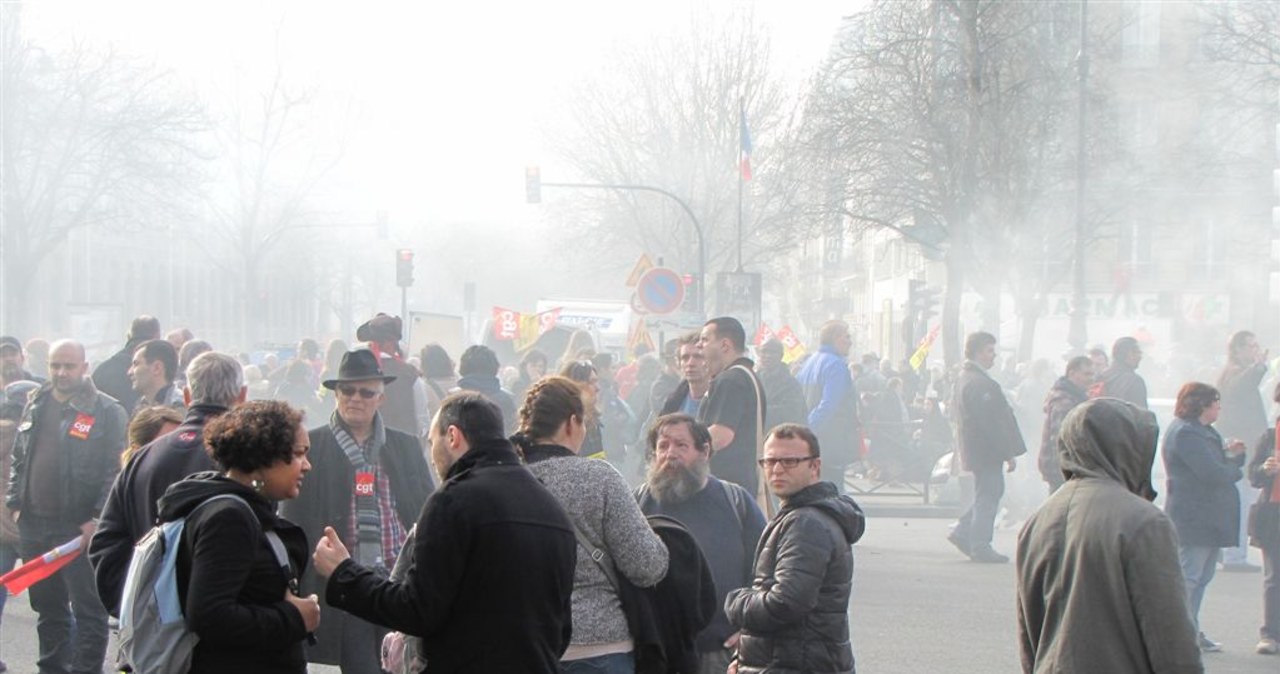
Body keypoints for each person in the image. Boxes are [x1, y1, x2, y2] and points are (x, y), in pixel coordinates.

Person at [313, 392, 577, 673]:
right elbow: (561, 629)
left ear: (452, 436)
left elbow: (417, 610)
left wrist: (344, 573)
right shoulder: (550, 508)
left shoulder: (453, 500)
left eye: (432, 442)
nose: (432, 455)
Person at [1015, 398, 1203, 673]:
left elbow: (1028, 633)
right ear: (1128, 448)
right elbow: (1170, 636)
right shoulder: (1143, 522)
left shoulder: (1038, 520)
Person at [281, 349, 433, 673]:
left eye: (366, 392)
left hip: (396, 582)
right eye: (347, 391)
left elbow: (425, 509)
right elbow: (294, 520)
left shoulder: (404, 446)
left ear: (380, 398)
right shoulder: (313, 445)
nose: (356, 399)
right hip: (338, 586)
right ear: (335, 394)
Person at [511, 377, 669, 673]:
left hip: (524, 645)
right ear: (572, 423)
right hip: (600, 649)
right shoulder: (599, 478)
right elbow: (646, 566)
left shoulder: (503, 482)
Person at [156, 400, 318, 673]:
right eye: (298, 453)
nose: (307, 466)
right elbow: (210, 616)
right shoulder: (229, 517)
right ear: (262, 457)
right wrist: (293, 617)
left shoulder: (240, 510)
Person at [91, 351, 247, 617]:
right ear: (242, 397)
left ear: (187, 396)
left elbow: (106, 542)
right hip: (221, 624)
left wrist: (130, 606)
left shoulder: (143, 456)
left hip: (150, 621)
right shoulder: (248, 458)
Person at [6, 340, 127, 674]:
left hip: (77, 528)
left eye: (69, 366)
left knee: (89, 610)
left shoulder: (106, 410)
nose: (61, 373)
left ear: (84, 367)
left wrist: (96, 518)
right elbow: (19, 455)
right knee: (47, 608)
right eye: (55, 366)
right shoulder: (36, 401)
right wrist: (15, 502)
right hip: (34, 524)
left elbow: (114, 469)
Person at [724, 424, 864, 674]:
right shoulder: (803, 516)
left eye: (789, 461)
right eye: (770, 461)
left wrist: (736, 602)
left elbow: (785, 603)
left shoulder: (805, 523)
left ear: (815, 467)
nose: (777, 469)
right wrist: (746, 658)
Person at [635, 413, 766, 674]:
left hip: (719, 651)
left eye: (681, 445)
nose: (670, 454)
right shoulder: (637, 503)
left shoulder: (735, 502)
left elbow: (768, 571)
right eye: (663, 446)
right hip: (655, 652)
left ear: (704, 451)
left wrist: (750, 629)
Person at [1163, 382, 1247, 653]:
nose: (1219, 407)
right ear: (1200, 404)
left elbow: (1216, 463)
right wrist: (1235, 466)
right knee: (1190, 576)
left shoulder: (1202, 431)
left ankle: (1191, 629)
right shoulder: (1187, 434)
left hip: (1208, 517)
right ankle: (1179, 634)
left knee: (1203, 575)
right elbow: (1212, 473)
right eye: (1215, 402)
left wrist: (1233, 456)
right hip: (1194, 516)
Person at [947, 331, 1026, 564]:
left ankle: (963, 532)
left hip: (977, 448)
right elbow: (992, 423)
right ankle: (980, 543)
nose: (994, 355)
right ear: (978, 351)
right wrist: (1007, 452)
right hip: (985, 449)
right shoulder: (979, 382)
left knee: (988, 493)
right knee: (990, 494)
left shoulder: (967, 377)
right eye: (990, 350)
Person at [697, 317, 767, 505]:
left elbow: (721, 435)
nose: (699, 345)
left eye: (704, 340)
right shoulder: (746, 375)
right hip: (739, 486)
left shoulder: (730, 380)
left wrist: (688, 452)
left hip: (725, 488)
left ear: (725, 345)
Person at [1218, 330, 1268, 573]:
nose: (1254, 350)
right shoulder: (1234, 374)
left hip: (1242, 443)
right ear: (1236, 349)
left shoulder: (1234, 373)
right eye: (1249, 346)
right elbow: (1243, 384)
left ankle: (1230, 552)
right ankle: (1234, 555)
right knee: (1241, 499)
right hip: (1241, 445)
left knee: (1241, 498)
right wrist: (1258, 368)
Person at [796, 320, 860, 487]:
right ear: (836, 338)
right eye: (847, 336)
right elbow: (829, 405)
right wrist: (810, 430)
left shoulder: (809, 362)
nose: (850, 341)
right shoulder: (836, 365)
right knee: (832, 493)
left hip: (811, 440)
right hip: (829, 440)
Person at [1247, 381, 1280, 656]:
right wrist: (1265, 469)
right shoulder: (1270, 437)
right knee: (1275, 576)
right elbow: (1253, 475)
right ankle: (1270, 633)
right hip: (1274, 512)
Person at [357, 314, 430, 438]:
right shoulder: (410, 374)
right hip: (402, 450)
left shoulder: (356, 370)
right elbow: (422, 422)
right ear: (392, 343)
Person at [1038, 355, 1094, 493]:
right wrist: (1067, 468)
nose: (1091, 378)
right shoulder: (1064, 402)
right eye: (1086, 374)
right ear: (1072, 373)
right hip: (1062, 470)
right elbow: (1061, 440)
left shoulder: (1075, 398)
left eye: (1092, 374)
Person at [92, 314, 161, 412]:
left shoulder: (102, 370)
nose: (131, 372)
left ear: (129, 335)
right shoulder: (161, 369)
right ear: (157, 336)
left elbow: (91, 409)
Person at [455, 344, 517, 433]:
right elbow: (513, 433)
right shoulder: (506, 399)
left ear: (463, 369)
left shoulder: (453, 400)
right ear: (494, 368)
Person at [755, 339, 806, 430]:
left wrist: (758, 411)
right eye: (764, 351)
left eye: (772, 352)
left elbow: (791, 411)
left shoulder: (791, 384)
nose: (767, 356)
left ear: (781, 356)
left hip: (780, 437)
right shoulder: (752, 379)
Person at [561, 360, 607, 460]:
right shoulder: (563, 424)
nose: (598, 388)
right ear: (576, 386)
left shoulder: (593, 420)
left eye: (597, 381)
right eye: (591, 382)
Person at [127, 338, 185, 415]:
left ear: (156, 368)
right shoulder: (140, 407)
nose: (129, 372)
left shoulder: (179, 408)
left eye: (136, 364)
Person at [659, 333, 710, 417]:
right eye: (685, 358)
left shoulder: (722, 400)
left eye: (698, 356)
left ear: (710, 359)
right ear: (678, 363)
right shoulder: (673, 403)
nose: (690, 363)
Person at [1096, 336, 1148, 409]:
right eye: (1137, 352)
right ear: (1125, 353)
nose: (1140, 357)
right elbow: (1141, 414)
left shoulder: (1100, 377)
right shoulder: (1134, 381)